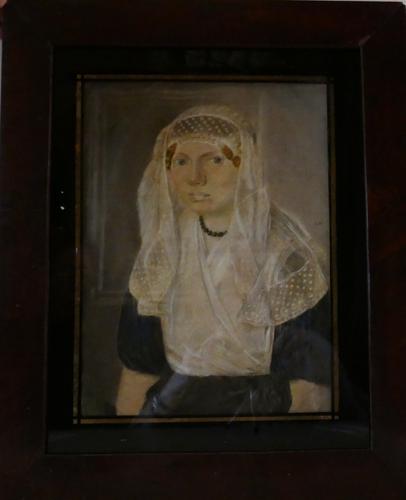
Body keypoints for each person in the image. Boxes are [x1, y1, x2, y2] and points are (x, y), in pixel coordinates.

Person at [116, 104, 331, 417]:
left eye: (215, 160)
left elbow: (310, 387)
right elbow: (138, 372)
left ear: (246, 166)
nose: (195, 177)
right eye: (181, 161)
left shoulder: (285, 256)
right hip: (172, 416)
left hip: (264, 417)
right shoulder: (161, 253)